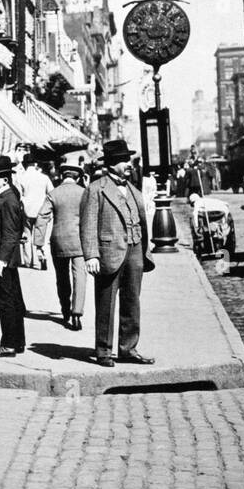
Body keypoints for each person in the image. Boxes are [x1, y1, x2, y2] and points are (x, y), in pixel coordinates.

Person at [80, 138, 155, 368]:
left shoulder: (133, 189)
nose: (129, 164)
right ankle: (103, 350)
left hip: (135, 250)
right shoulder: (96, 189)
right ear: (112, 164)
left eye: (128, 159)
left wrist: (145, 250)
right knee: (106, 303)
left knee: (132, 301)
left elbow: (140, 221)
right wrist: (91, 255)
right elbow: (87, 223)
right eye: (124, 160)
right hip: (108, 252)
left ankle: (128, 348)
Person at [36, 160, 88, 331]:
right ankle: (77, 313)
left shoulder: (54, 193)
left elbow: (42, 217)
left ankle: (65, 308)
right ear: (79, 176)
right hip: (80, 241)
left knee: (62, 277)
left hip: (58, 241)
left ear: (63, 175)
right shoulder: (84, 193)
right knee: (79, 276)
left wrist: (38, 243)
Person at [0, 155, 26, 357]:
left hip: (3, 258)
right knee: (14, 300)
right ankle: (17, 341)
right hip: (6, 257)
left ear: (5, 180)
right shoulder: (6, 197)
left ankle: (8, 343)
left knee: (6, 302)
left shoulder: (7, 200)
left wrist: (0, 262)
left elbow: (9, 233)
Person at [17, 152, 54, 270]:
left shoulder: (21, 178)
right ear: (35, 164)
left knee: (26, 236)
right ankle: (40, 258)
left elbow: (18, 196)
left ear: (24, 164)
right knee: (41, 235)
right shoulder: (44, 177)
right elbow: (51, 193)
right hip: (42, 210)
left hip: (26, 210)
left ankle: (28, 262)